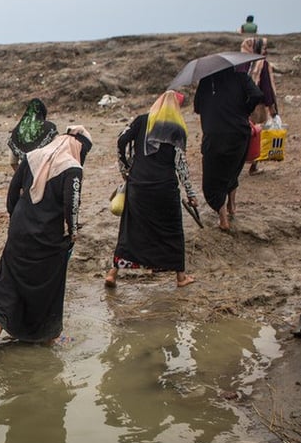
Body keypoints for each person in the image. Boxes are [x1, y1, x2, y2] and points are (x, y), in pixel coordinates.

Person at [0, 127, 93, 345]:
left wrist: (16, 221)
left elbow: (13, 192)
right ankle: (49, 336)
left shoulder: (32, 157)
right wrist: (73, 232)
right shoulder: (73, 169)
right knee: (46, 284)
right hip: (47, 236)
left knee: (11, 278)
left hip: (20, 229)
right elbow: (72, 205)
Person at [104, 91, 197, 289]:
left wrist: (126, 169)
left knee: (130, 229)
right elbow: (181, 165)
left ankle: (113, 274)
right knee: (172, 231)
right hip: (165, 189)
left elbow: (121, 141)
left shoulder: (142, 121)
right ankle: (181, 277)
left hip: (138, 185)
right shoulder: (178, 129)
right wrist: (191, 193)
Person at [194, 68, 264, 231]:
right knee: (232, 170)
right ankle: (232, 206)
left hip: (214, 136)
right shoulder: (240, 77)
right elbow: (257, 95)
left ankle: (223, 219)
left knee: (213, 179)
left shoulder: (206, 81)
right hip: (239, 132)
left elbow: (197, 107)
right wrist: (244, 110)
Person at [239, 37, 279, 175]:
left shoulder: (239, 63)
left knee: (242, 135)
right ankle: (254, 166)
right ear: (255, 48)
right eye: (263, 48)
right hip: (257, 107)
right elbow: (266, 87)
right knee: (257, 134)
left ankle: (238, 163)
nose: (265, 50)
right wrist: (272, 106)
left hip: (240, 105)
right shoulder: (262, 64)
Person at [8, 98, 59, 171]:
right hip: (45, 172)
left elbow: (12, 162)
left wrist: (23, 176)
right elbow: (58, 151)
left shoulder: (17, 131)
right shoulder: (50, 128)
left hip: (27, 173)